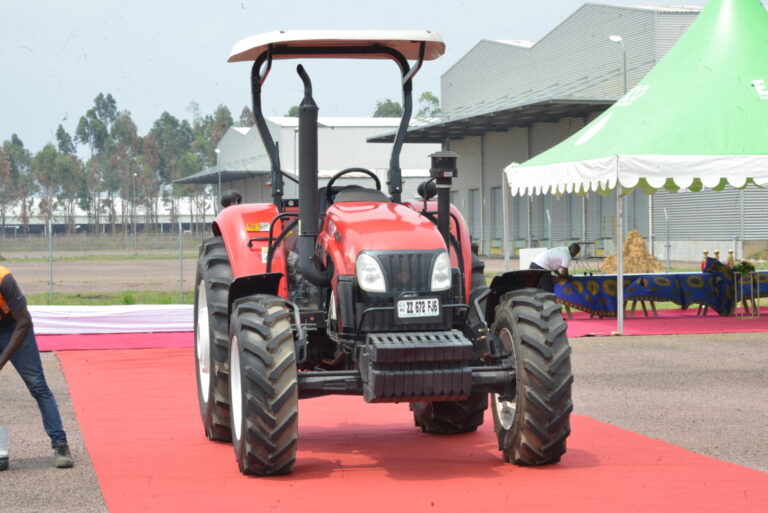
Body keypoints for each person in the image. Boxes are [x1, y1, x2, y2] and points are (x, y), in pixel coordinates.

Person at [0, 266, 74, 470]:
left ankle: (60, 444)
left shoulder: (4, 279)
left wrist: (2, 359)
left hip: (15, 328)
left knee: (37, 385)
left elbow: (24, 321)